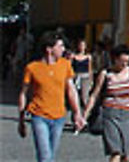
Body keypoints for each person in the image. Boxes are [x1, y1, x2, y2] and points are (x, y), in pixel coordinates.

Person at [18, 31, 85, 162]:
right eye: (60, 46)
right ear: (49, 49)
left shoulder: (65, 65)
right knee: (45, 157)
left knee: (51, 155)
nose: (63, 49)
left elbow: (71, 90)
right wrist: (21, 120)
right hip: (39, 115)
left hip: (59, 116)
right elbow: (23, 93)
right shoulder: (32, 68)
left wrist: (77, 113)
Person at [84, 44, 129, 162]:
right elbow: (94, 95)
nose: (125, 64)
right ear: (115, 59)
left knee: (126, 153)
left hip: (128, 115)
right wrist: (84, 115)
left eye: (127, 61)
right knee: (115, 151)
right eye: (122, 61)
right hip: (110, 115)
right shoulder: (106, 74)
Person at [70, 38, 94, 107]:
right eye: (80, 45)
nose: (81, 47)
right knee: (75, 95)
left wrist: (91, 80)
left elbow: (90, 69)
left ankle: (86, 112)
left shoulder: (88, 57)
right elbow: (71, 67)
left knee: (85, 96)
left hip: (85, 77)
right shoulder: (73, 56)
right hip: (76, 76)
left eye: (83, 45)